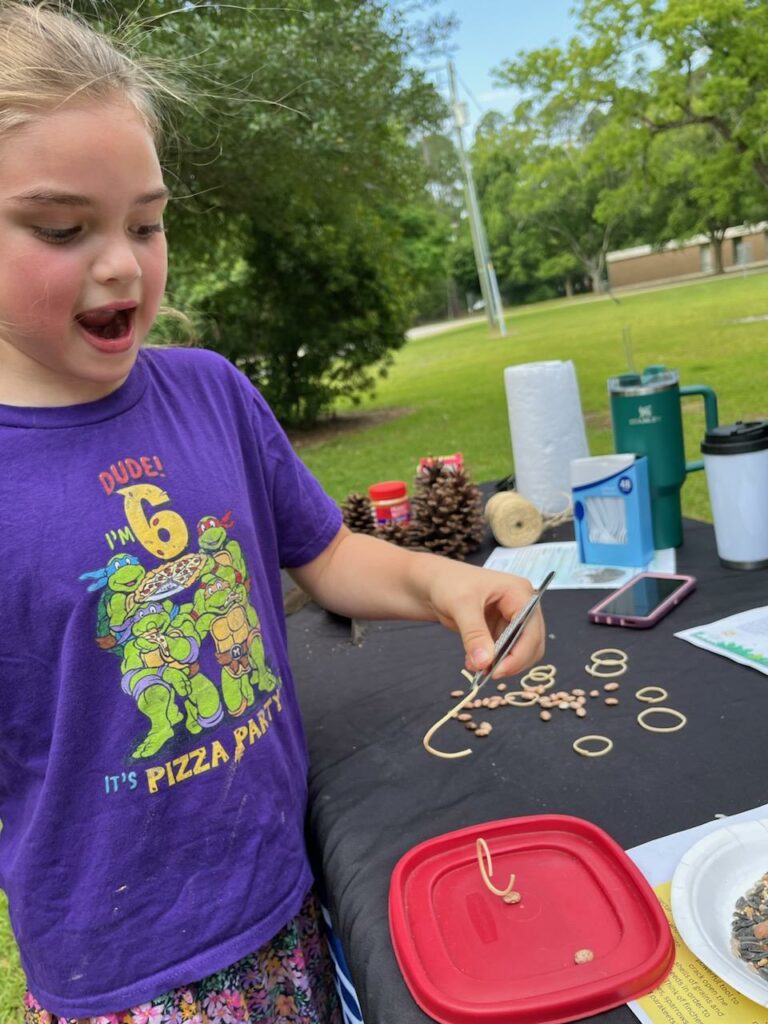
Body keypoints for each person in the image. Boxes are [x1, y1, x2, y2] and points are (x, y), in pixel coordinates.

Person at [0, 3, 545, 1021]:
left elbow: (326, 552)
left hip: (287, 897)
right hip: (127, 973)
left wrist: (446, 581)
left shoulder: (210, 392)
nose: (123, 262)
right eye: (63, 228)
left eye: (147, 221)